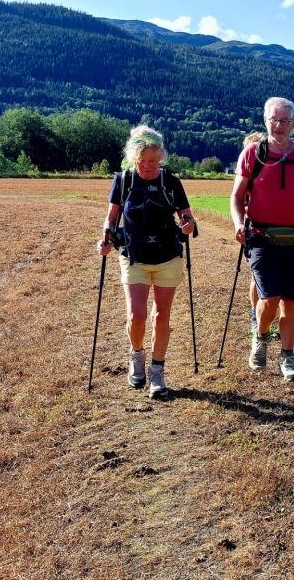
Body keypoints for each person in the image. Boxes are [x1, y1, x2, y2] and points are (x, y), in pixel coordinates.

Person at [230, 97, 294, 380]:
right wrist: (239, 223)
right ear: (265, 121)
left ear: (293, 124)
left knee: (290, 300)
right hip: (261, 238)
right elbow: (237, 196)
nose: (279, 125)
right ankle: (260, 339)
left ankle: (287, 358)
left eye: (285, 120)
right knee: (270, 298)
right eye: (274, 119)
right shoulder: (252, 154)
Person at [96, 125, 196, 399]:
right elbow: (112, 217)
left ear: (161, 158)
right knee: (136, 316)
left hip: (167, 257)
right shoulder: (124, 180)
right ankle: (137, 355)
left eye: (153, 160)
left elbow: (187, 217)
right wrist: (106, 237)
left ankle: (157, 373)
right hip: (134, 256)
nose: (148, 166)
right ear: (133, 159)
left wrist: (188, 225)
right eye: (142, 161)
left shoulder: (171, 182)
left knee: (162, 316)